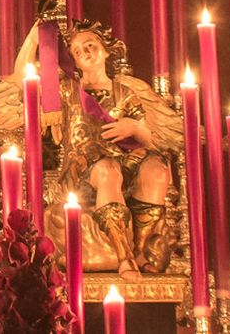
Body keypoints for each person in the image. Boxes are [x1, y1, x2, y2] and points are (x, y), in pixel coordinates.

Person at [45, 20, 183, 276]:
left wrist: (133, 128)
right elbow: (21, 81)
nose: (85, 52)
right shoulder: (68, 92)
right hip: (82, 175)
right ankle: (124, 257)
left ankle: (141, 250)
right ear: (74, 61)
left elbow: (149, 139)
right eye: (78, 51)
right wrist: (37, 37)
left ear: (106, 50)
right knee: (107, 170)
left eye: (90, 45)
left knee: (157, 170)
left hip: (125, 168)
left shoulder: (124, 92)